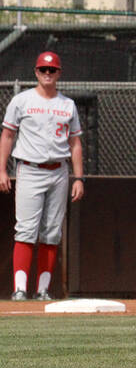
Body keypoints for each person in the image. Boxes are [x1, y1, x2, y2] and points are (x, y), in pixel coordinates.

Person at [0, 52, 85, 301]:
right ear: (36, 72)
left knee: (51, 231)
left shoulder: (67, 104)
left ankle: (44, 289)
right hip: (29, 168)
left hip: (58, 170)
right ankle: (20, 289)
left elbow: (75, 142)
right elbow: (7, 136)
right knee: (26, 229)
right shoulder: (22, 100)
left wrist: (79, 178)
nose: (47, 74)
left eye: (52, 70)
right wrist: (2, 169)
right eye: (43, 70)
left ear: (59, 73)